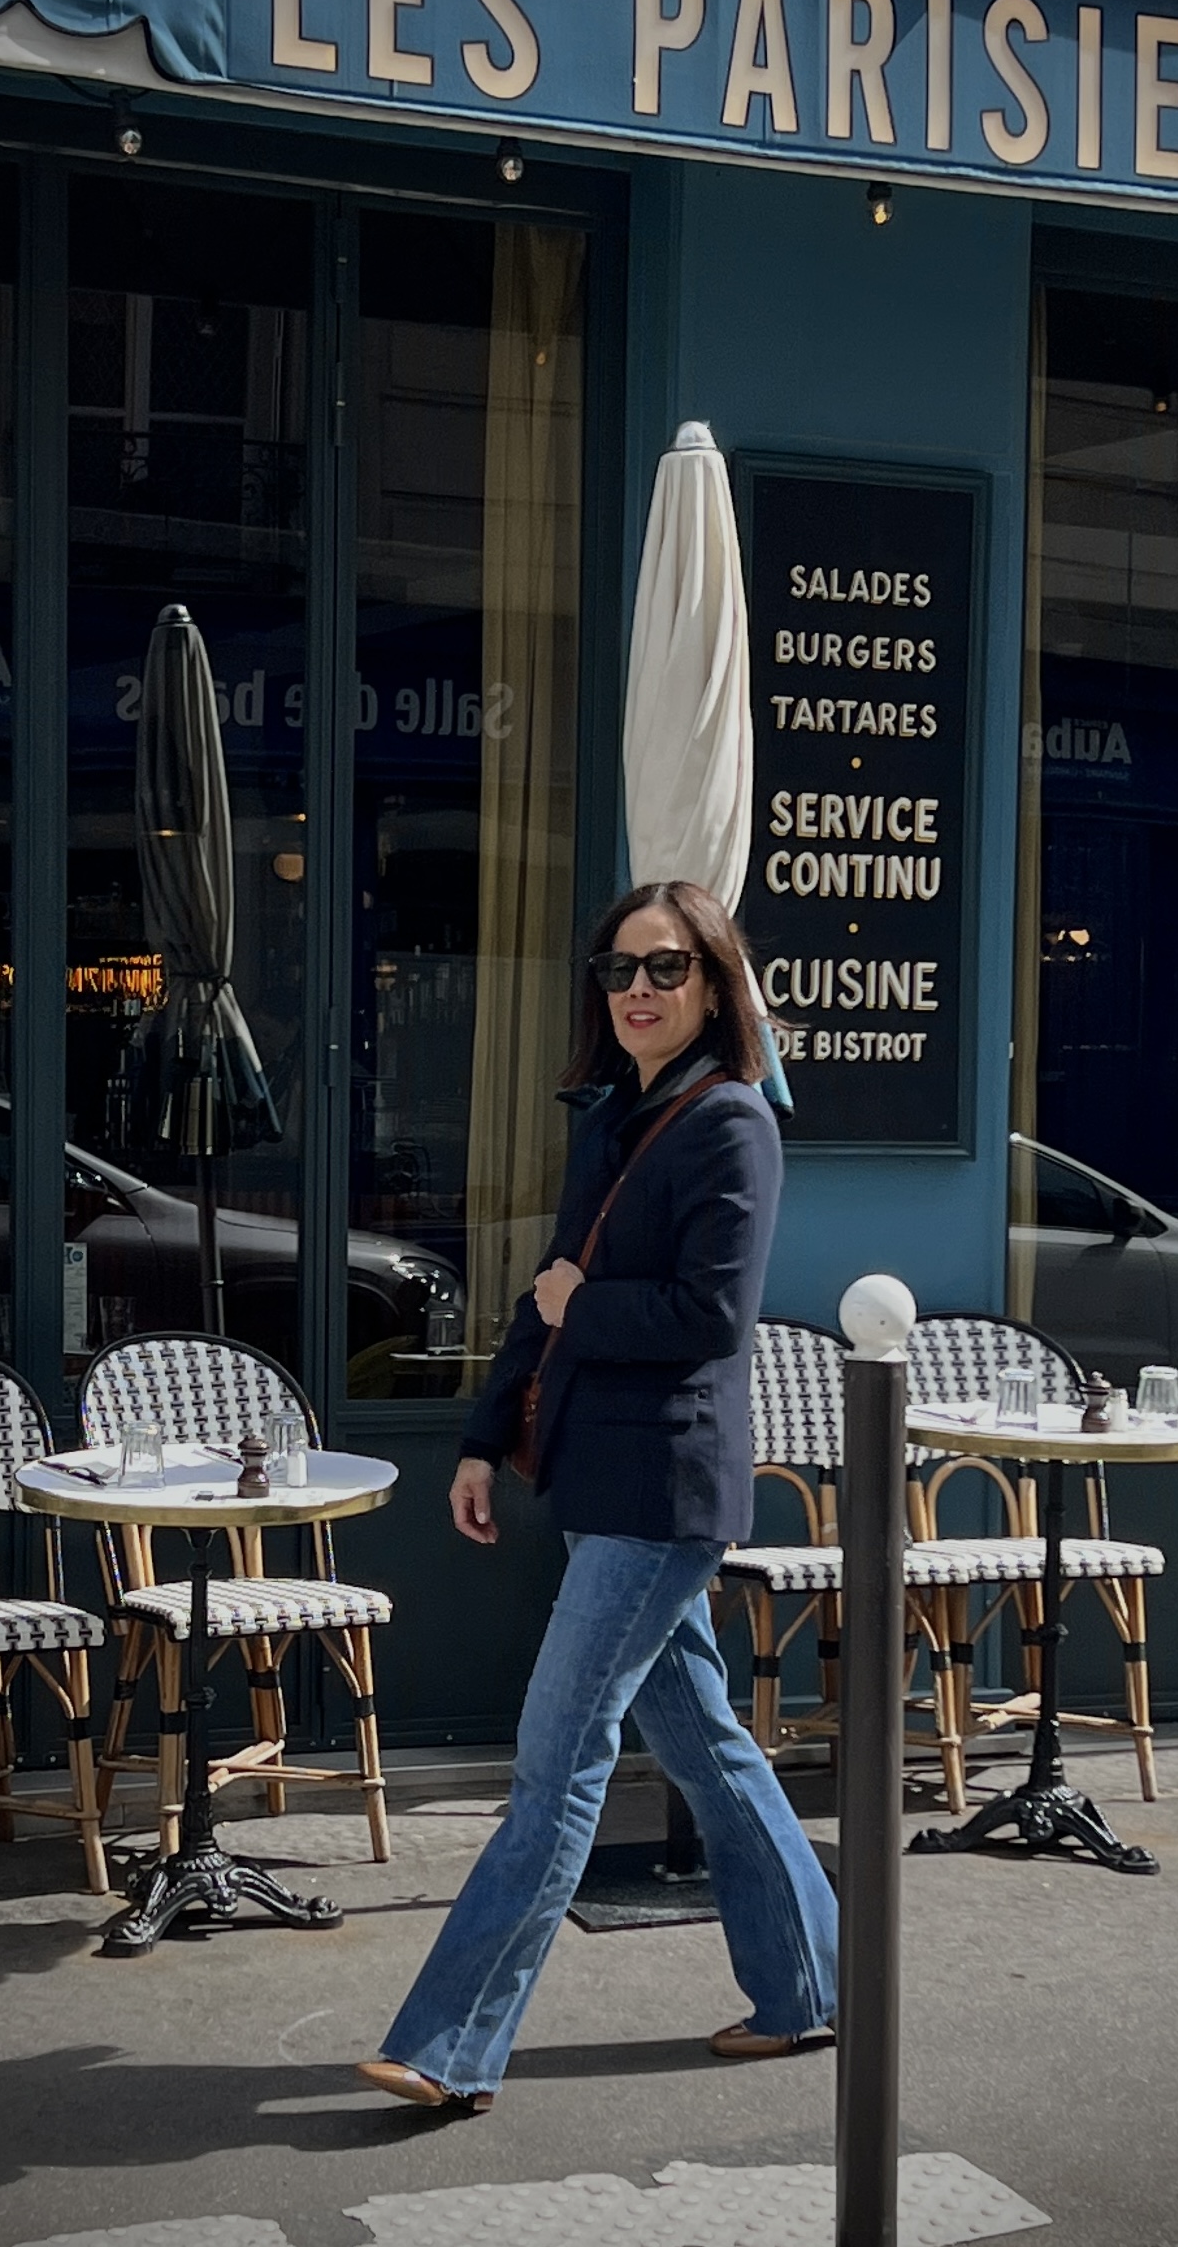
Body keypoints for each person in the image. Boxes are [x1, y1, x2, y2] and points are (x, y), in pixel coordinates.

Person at [356, 881, 838, 2115]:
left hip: (662, 1489)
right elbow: (546, 1287)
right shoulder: (617, 1116)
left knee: (558, 1762)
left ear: (714, 985)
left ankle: (450, 2046)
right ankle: (807, 1988)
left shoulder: (731, 1124)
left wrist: (583, 1305)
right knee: (709, 1750)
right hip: (596, 1480)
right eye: (619, 967)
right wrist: (482, 1438)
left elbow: (710, 1317)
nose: (637, 988)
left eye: (666, 967)